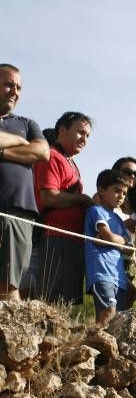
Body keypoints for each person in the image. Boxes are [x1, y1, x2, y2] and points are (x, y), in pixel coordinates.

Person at [34, 111, 95, 305]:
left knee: (64, 303)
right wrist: (83, 199)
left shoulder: (70, 161)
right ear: (62, 130)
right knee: (49, 299)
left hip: (71, 238)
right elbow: (49, 197)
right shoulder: (52, 155)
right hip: (55, 236)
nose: (84, 138)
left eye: (87, 135)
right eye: (80, 132)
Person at [0, 64, 50, 302]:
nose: (14, 91)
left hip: (17, 210)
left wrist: (2, 152)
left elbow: (42, 152)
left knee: (9, 284)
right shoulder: (23, 133)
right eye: (8, 84)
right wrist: (19, 142)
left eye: (19, 87)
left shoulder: (28, 124)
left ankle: (15, 337)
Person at [84, 170, 130, 325]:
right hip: (101, 273)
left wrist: (116, 240)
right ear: (101, 189)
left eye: (124, 193)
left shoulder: (118, 218)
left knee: (116, 319)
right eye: (116, 190)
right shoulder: (96, 210)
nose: (121, 196)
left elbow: (130, 247)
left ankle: (101, 346)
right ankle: (101, 346)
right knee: (107, 314)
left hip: (119, 277)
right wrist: (116, 240)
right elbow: (108, 235)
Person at [111, 156, 136, 309]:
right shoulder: (105, 197)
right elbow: (94, 222)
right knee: (110, 307)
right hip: (113, 259)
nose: (132, 176)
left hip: (135, 262)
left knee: (127, 309)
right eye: (127, 172)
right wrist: (122, 225)